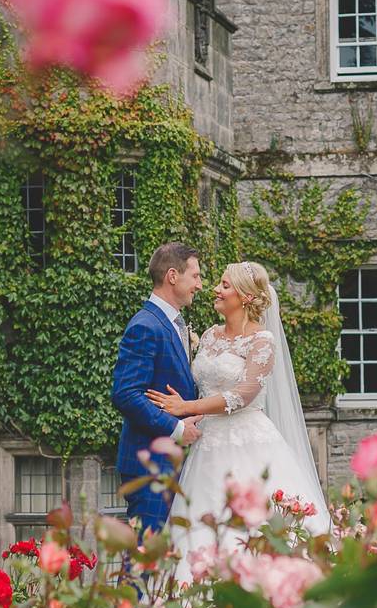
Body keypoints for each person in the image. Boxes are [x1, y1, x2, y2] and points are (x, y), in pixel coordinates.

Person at [145, 261, 331, 583]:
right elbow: (206, 388)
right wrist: (190, 415)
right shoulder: (209, 336)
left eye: (225, 285)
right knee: (200, 525)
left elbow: (242, 395)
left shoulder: (262, 341)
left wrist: (186, 406)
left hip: (250, 442)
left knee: (253, 527)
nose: (216, 289)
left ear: (245, 296)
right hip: (207, 446)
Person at [111, 242, 204, 533]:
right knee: (146, 559)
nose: (200, 285)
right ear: (173, 276)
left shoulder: (173, 322)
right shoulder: (145, 325)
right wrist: (177, 429)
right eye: (196, 276)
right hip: (150, 464)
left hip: (172, 463)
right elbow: (125, 394)